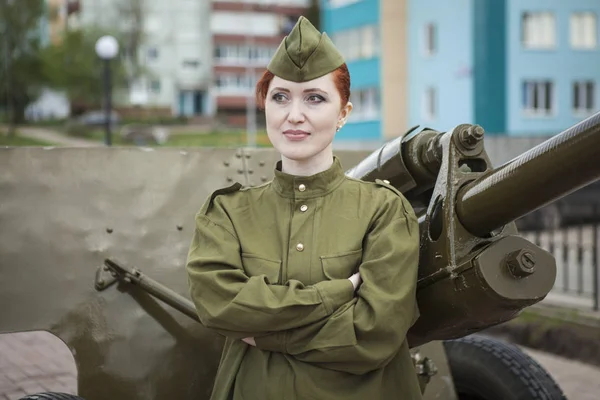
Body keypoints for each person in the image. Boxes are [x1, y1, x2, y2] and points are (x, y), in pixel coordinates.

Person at [186, 16, 422, 400]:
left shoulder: (383, 211)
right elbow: (218, 307)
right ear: (266, 107)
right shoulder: (226, 214)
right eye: (280, 97)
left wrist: (262, 332)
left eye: (314, 98)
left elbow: (375, 333)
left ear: (343, 113)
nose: (294, 115)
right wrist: (336, 294)